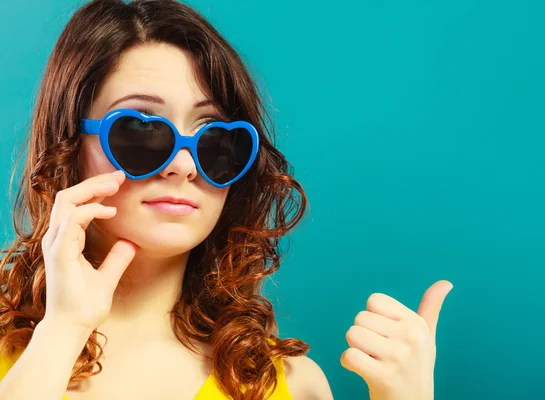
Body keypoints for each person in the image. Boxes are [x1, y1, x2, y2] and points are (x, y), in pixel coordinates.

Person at [0, 0, 453, 399]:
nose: (184, 165)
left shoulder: (289, 385)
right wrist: (62, 332)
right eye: (142, 129)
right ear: (67, 146)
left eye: (215, 139)